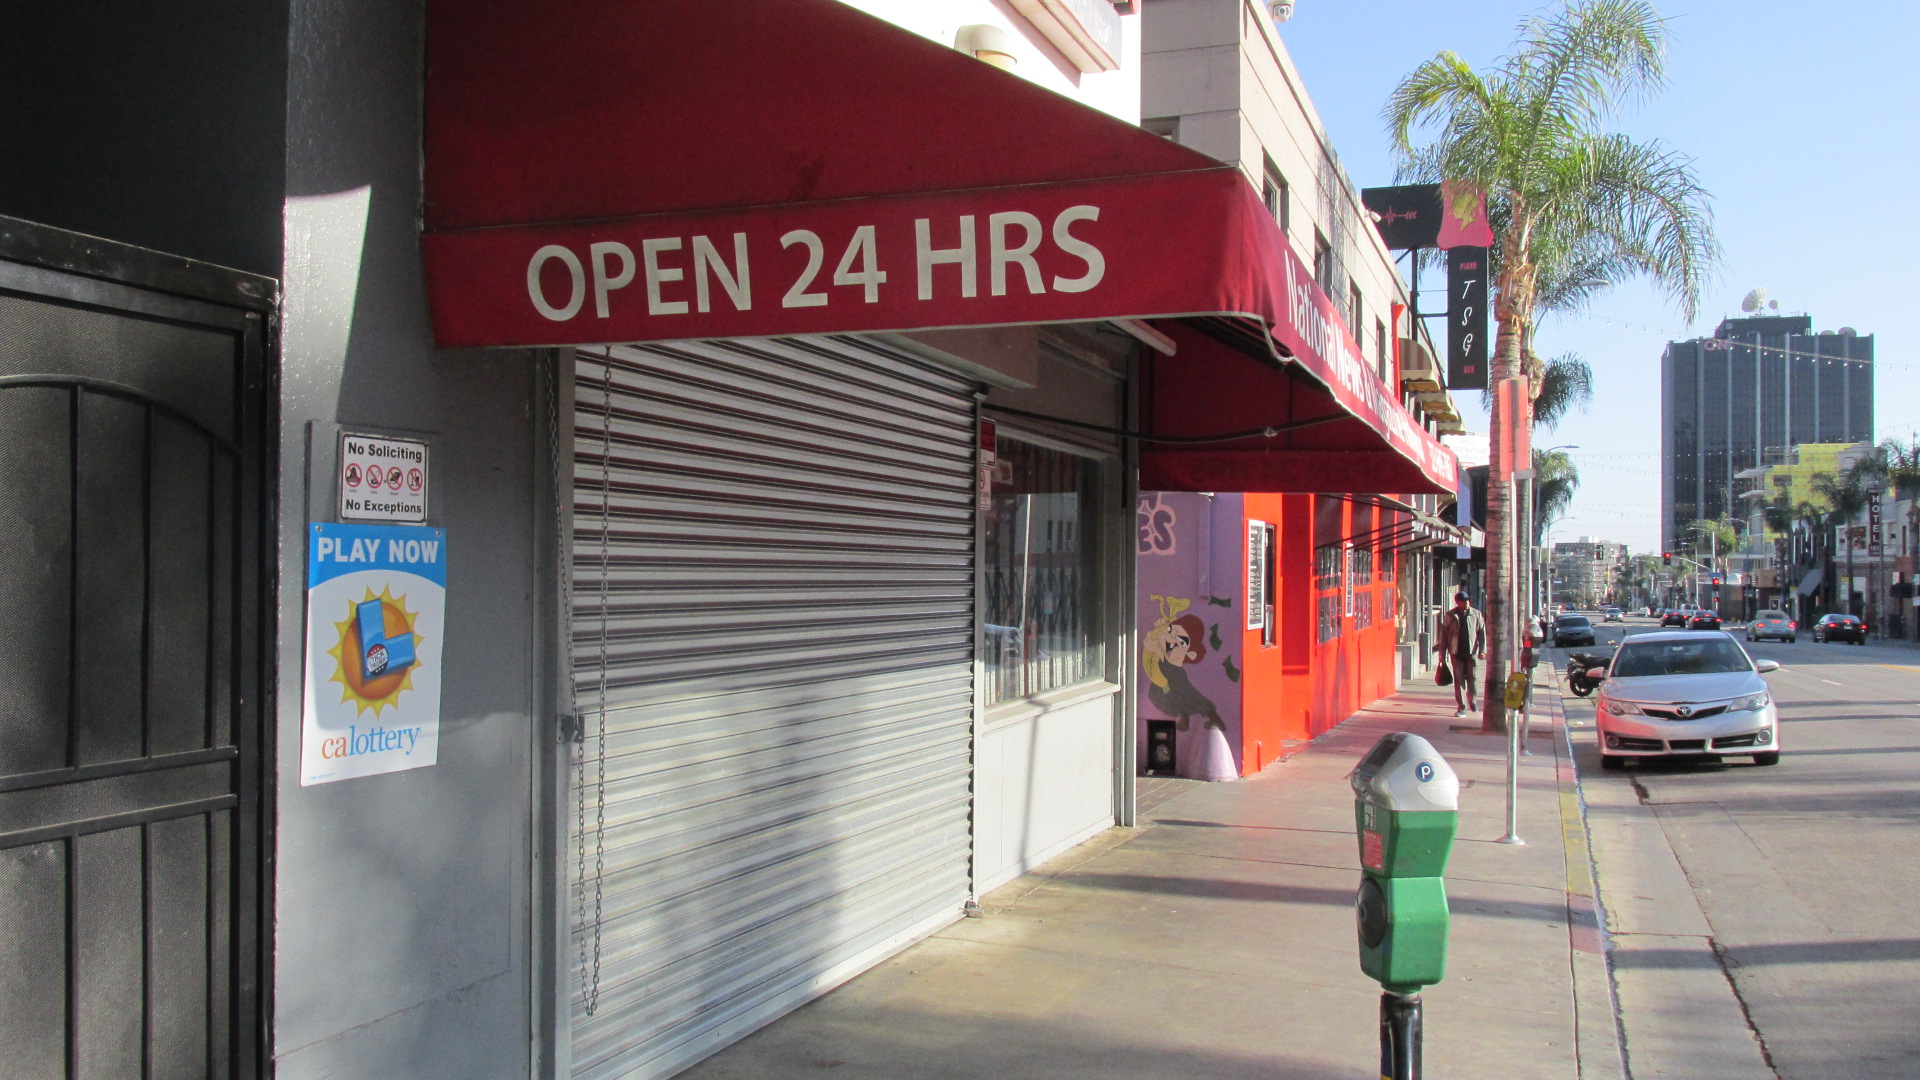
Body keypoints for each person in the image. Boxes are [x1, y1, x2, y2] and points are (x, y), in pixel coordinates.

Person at [1435, 591, 1487, 717]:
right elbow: (1444, 635)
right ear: (1458, 602)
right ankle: (1461, 706)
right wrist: (1442, 653)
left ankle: (1473, 699)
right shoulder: (1450, 615)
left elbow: (1481, 632)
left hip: (1472, 652)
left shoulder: (1476, 614)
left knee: (1473, 678)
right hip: (1456, 652)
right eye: (1464, 601)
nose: (1467, 603)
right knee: (1459, 680)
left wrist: (1482, 650)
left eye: (1468, 601)